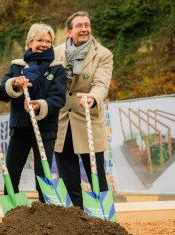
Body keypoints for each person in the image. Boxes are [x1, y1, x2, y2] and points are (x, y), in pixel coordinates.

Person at [0, 23, 66, 203]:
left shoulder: (57, 68)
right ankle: (12, 218)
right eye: (40, 40)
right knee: (11, 175)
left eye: (48, 41)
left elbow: (58, 99)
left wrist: (39, 105)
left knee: (42, 177)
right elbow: (1, 93)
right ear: (30, 42)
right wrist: (14, 84)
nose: (44, 44)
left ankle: (44, 218)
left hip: (45, 129)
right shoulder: (17, 67)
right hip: (20, 127)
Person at [54, 11, 113, 208]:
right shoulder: (56, 53)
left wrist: (93, 98)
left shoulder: (103, 54)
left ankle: (105, 223)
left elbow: (101, 83)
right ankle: (77, 222)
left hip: (88, 118)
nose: (84, 29)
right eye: (79, 26)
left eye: (87, 25)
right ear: (69, 31)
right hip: (62, 122)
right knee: (68, 180)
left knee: (97, 178)